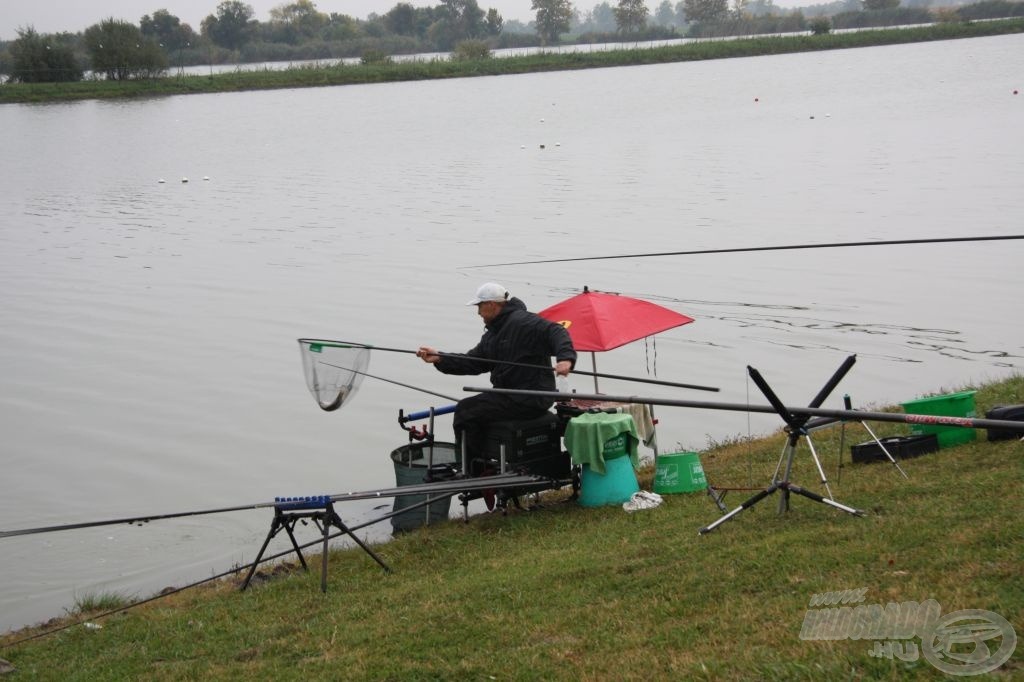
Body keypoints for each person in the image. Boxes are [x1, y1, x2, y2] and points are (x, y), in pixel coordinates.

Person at [417, 282, 576, 467]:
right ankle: (483, 462)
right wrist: (440, 358)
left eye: (479, 306)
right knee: (474, 408)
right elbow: (474, 362)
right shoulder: (494, 333)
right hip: (510, 395)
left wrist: (565, 358)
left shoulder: (523, 321)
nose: (478, 313)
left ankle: (471, 470)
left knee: (465, 411)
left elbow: (556, 331)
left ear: (492, 304)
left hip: (529, 397)